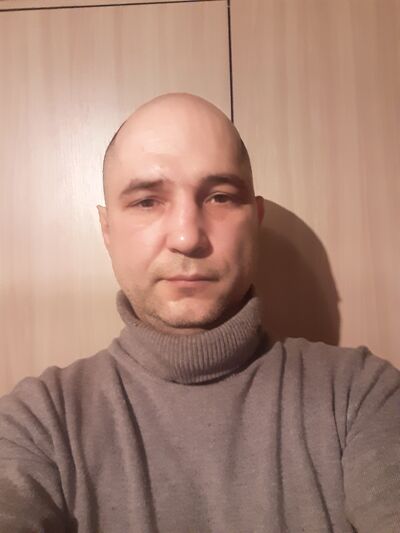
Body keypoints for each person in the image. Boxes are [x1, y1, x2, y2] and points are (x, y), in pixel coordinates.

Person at [0, 93, 399, 533]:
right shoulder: (36, 423)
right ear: (107, 230)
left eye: (220, 197)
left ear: (256, 220)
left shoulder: (363, 397)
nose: (187, 238)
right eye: (147, 201)